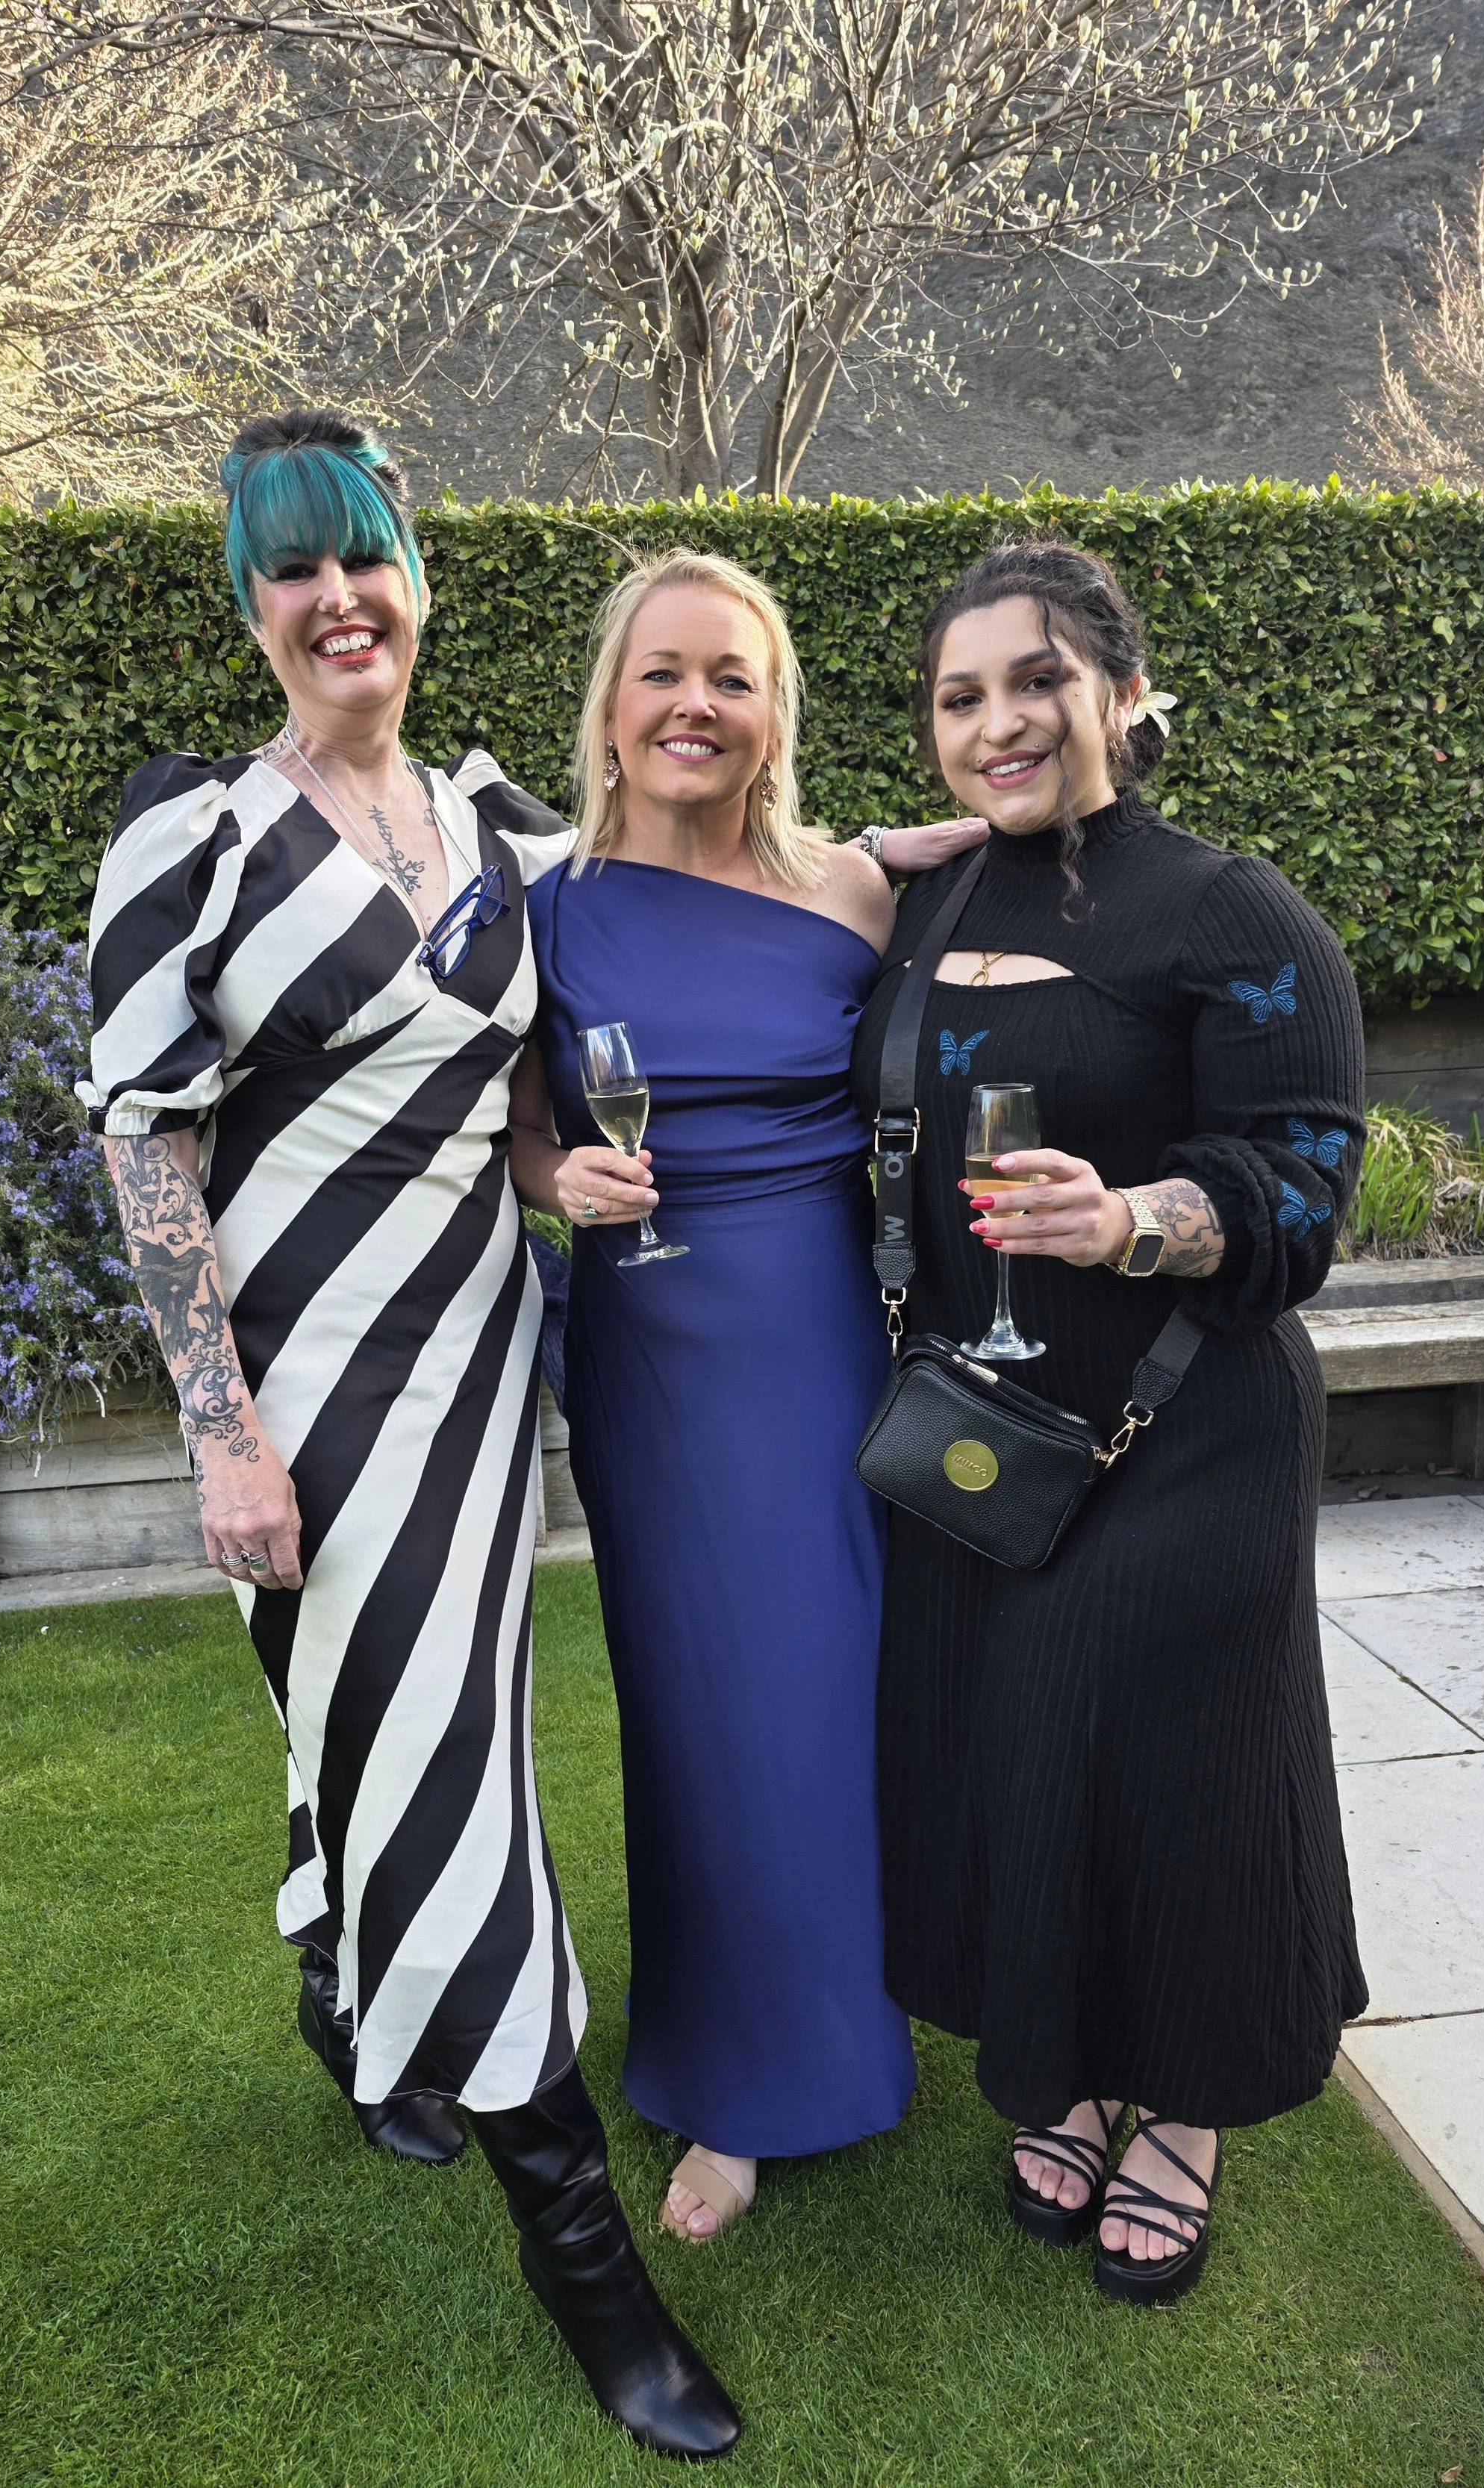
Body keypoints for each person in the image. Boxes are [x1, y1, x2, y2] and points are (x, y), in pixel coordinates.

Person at [76, 407, 741, 2459]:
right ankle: (589, 2271)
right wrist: (222, 1433)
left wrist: (571, 1181)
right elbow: (145, 1142)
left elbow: (525, 1113)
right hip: (302, 1388)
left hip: (474, 1368)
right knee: (446, 1772)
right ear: (252, 607)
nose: (336, 597)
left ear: (416, 580)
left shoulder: (504, 827)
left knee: (383, 1729)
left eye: (363, 555)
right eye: (292, 568)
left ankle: (351, 1999)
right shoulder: (185, 834)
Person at [849, 539, 1369, 2305]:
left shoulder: (1233, 912)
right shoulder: (921, 907)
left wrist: (1138, 1214)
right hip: (980, 1430)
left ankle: (1184, 2109)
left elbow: (1305, 1188)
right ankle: (1062, 2064)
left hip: (1184, 1426)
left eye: (1036, 681)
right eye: (958, 694)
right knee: (1020, 1749)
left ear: (1123, 695)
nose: (997, 722)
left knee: (1170, 1771)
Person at [508, 550, 982, 2245]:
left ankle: (856, 2022)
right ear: (611, 710)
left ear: (772, 708)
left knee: (834, 1703)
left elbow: (1012, 886)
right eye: (662, 674)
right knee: (699, 1711)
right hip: (651, 1358)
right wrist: (560, 1180)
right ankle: (724, 2084)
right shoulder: (542, 911)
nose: (694, 704)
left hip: (822, 1349)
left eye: (730, 674)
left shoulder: (852, 889)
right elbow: (508, 1131)